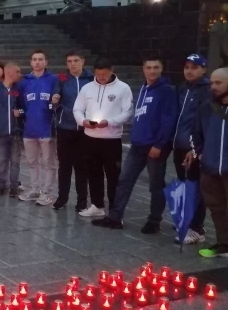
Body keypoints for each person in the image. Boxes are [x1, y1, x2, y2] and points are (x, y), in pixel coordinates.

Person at [93, 57, 177, 232]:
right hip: (138, 145)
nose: (152, 71)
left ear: (161, 69)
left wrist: (160, 144)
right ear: (143, 69)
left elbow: (169, 120)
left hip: (154, 146)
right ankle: (115, 217)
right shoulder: (144, 89)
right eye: (149, 67)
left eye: (156, 67)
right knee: (124, 180)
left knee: (155, 185)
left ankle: (154, 221)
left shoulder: (167, 91)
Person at [73, 58, 134, 218]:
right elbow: (77, 108)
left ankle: (115, 208)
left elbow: (128, 112)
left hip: (111, 139)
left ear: (111, 70)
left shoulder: (123, 88)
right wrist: (83, 121)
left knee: (113, 174)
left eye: (104, 74)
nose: (101, 77)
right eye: (98, 74)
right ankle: (97, 205)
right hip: (90, 137)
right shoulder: (87, 88)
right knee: (93, 172)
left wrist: (110, 122)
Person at [172, 54, 211, 244]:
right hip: (179, 145)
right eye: (187, 67)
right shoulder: (182, 88)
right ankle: (186, 220)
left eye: (194, 67)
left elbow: (204, 122)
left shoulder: (207, 91)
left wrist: (196, 147)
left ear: (203, 69)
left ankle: (197, 228)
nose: (189, 71)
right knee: (184, 185)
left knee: (195, 188)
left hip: (193, 148)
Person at [189, 67, 228, 257]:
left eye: (219, 83)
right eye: (212, 82)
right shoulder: (206, 108)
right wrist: (201, 154)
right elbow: (195, 133)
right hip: (210, 169)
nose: (213, 87)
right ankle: (224, 243)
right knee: (217, 207)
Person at [50, 51, 94, 211]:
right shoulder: (62, 78)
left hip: (85, 129)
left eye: (76, 60)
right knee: (65, 165)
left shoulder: (91, 79)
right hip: (65, 128)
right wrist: (55, 101)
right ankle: (62, 198)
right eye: (69, 61)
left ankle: (82, 201)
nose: (72, 64)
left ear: (83, 61)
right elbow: (54, 99)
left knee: (82, 166)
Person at [18, 50, 58, 206]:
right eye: (34, 59)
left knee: (49, 163)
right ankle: (34, 189)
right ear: (30, 62)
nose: (37, 62)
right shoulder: (24, 81)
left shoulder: (53, 79)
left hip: (47, 128)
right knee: (31, 162)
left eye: (40, 59)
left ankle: (47, 193)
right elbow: (19, 102)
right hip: (29, 129)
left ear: (46, 62)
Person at [0, 63, 23, 196]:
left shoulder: (18, 89)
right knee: (1, 160)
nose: (20, 74)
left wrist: (20, 112)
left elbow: (24, 107)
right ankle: (1, 185)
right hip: (0, 131)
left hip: (15, 131)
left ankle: (14, 186)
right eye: (17, 72)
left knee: (15, 161)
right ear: (9, 72)